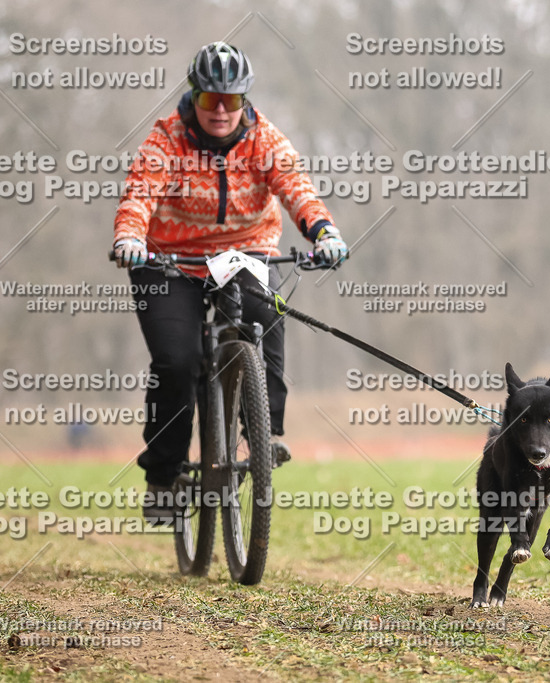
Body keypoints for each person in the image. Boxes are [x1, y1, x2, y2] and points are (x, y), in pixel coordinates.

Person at [113, 42, 348, 522]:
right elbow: (140, 193)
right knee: (177, 362)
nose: (220, 110)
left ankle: (263, 434)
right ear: (194, 97)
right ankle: (164, 475)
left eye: (232, 100)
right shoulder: (167, 139)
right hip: (168, 262)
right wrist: (130, 236)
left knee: (268, 319)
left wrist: (324, 231)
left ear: (245, 101)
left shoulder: (264, 139)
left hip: (245, 253)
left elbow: (297, 189)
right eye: (209, 99)